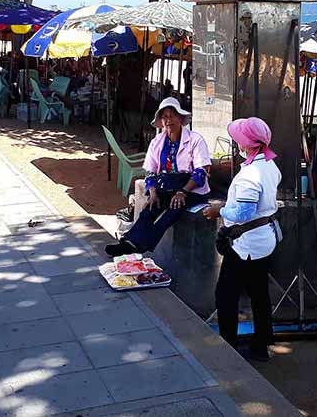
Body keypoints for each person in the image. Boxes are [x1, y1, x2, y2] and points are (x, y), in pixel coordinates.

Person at [203, 117, 282, 362]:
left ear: (246, 144)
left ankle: (229, 346)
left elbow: (244, 213)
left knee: (225, 295)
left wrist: (219, 210)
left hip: (246, 245)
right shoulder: (270, 166)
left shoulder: (250, 175)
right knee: (259, 295)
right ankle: (260, 346)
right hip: (264, 240)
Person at [105, 97, 211, 257]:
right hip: (167, 186)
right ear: (161, 121)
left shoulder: (196, 140)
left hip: (192, 189)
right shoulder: (157, 142)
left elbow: (201, 172)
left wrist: (182, 192)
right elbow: (151, 172)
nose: (168, 120)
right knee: (149, 209)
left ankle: (142, 244)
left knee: (174, 208)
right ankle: (129, 242)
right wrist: (153, 193)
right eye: (165, 116)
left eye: (172, 115)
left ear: (180, 118)